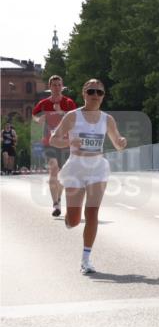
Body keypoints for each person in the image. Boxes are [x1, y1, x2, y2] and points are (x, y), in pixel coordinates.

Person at [48, 79, 127, 274]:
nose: (95, 95)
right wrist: (68, 142)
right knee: (74, 220)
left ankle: (86, 259)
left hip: (97, 168)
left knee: (92, 213)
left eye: (99, 92)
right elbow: (54, 139)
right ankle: (69, 218)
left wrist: (121, 142)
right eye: (91, 91)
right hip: (76, 167)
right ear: (84, 93)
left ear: (103, 96)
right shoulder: (72, 117)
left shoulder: (107, 119)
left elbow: (117, 142)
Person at [32, 75, 77, 216]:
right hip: (49, 142)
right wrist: (39, 119)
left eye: (59, 85)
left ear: (62, 86)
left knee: (63, 175)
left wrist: (61, 112)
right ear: (49, 86)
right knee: (53, 169)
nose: (56, 87)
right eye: (54, 85)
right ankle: (56, 204)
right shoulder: (44, 103)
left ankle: (58, 197)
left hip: (65, 143)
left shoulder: (69, 102)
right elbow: (34, 114)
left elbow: (75, 119)